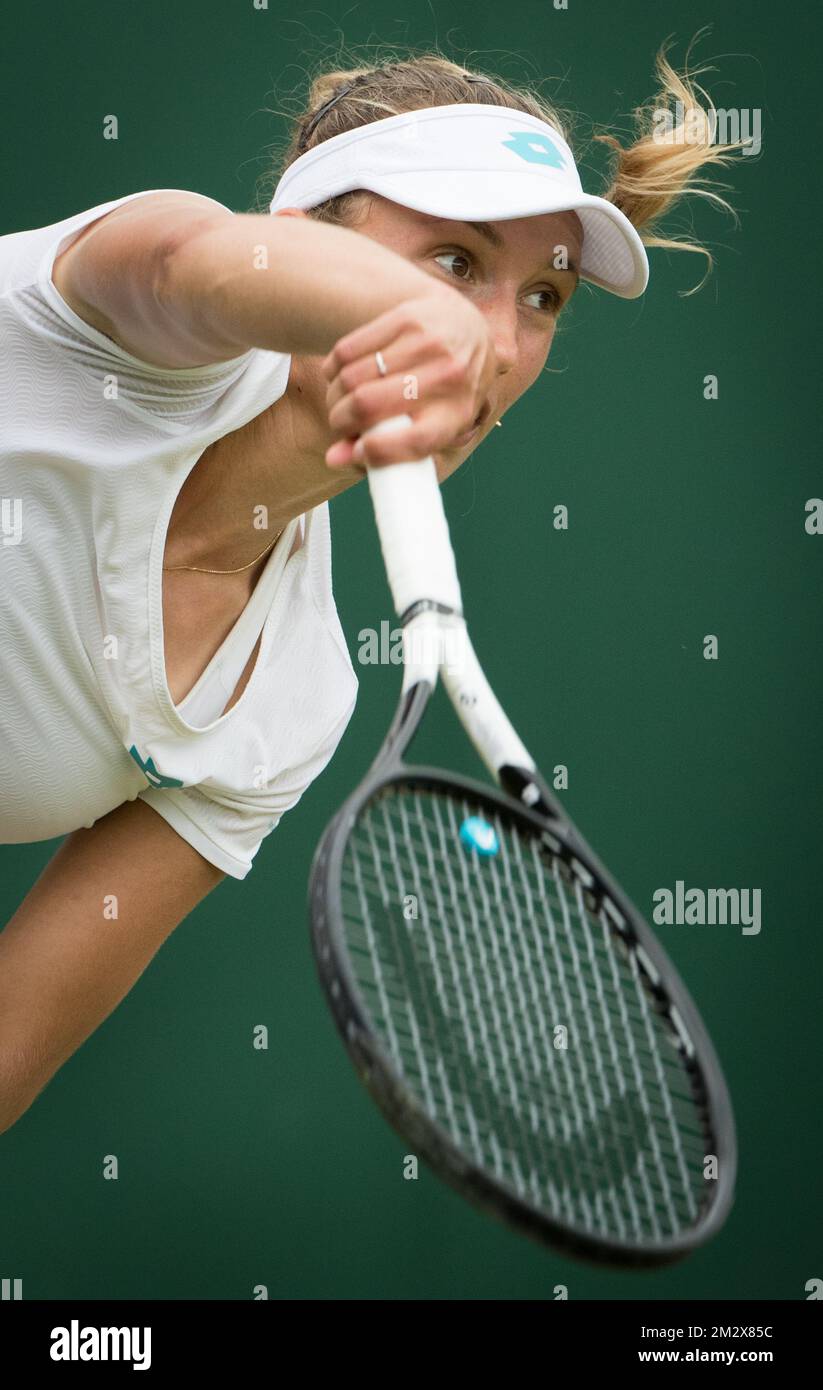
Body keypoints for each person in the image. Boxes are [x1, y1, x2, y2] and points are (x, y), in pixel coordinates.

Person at [0, 48, 744, 1133]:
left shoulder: (292, 702)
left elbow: (16, 1031)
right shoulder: (124, 315)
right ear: (298, 237)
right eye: (452, 260)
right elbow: (193, 262)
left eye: (543, 295)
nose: (498, 342)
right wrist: (410, 315)